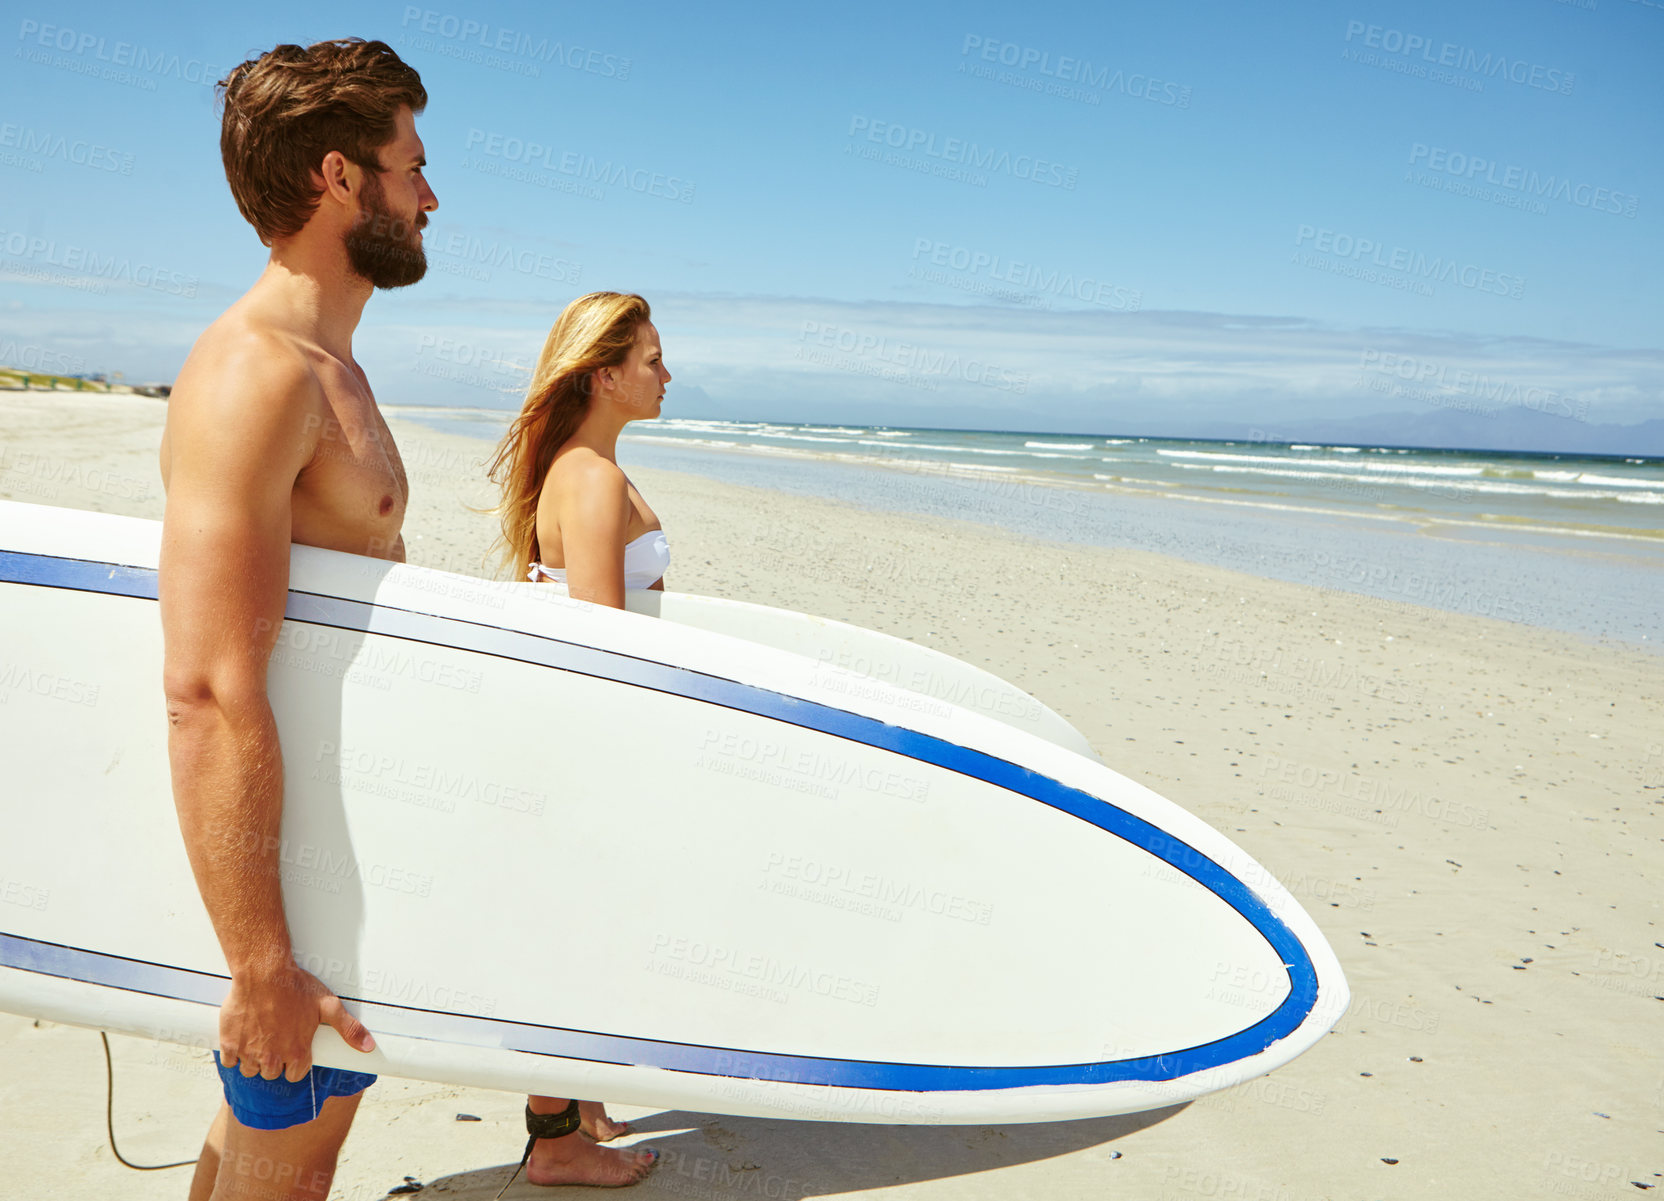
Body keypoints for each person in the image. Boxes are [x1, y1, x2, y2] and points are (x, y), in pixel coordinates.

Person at [486, 292, 671, 1185]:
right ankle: (553, 1138)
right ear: (604, 374)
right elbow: (606, 646)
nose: (666, 375)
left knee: (579, 914)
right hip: (590, 739)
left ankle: (578, 1100)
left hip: (565, 737)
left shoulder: (580, 465)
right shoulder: (591, 477)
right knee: (581, 921)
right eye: (649, 360)